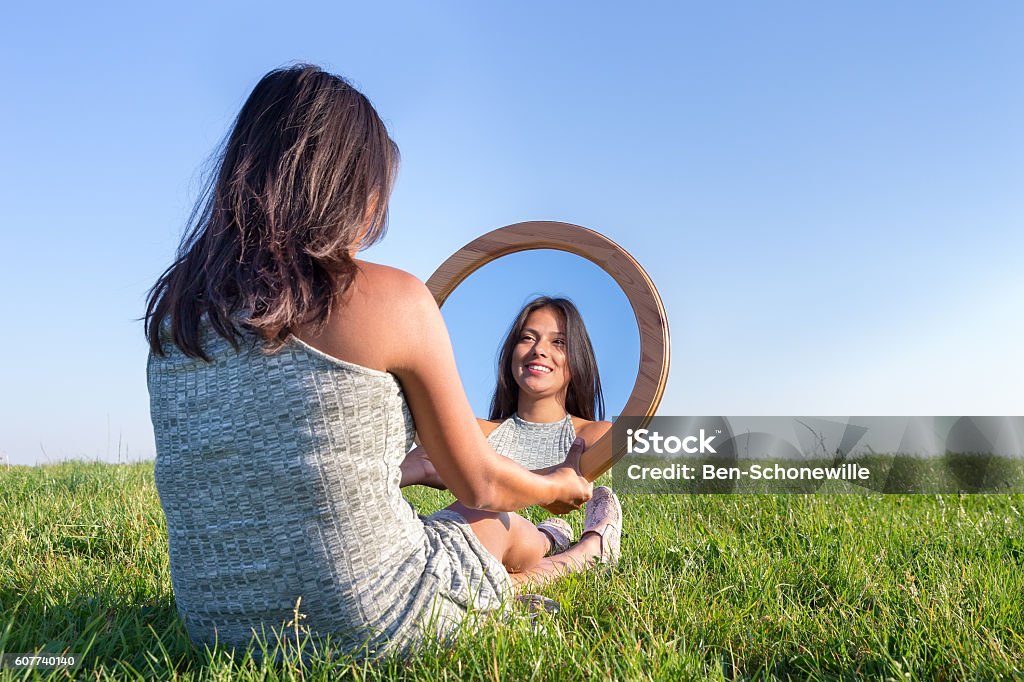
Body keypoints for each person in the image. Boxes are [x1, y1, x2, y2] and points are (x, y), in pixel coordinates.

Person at [145, 64, 620, 658]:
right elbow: (483, 481)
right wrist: (555, 486)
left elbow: (271, 465)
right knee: (493, 525)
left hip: (215, 627)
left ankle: (528, 565)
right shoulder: (390, 298)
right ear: (351, 189)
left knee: (461, 520)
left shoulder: (175, 313)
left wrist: (415, 469)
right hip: (368, 617)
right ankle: (582, 554)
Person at [402, 296, 618, 556]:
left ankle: (555, 541)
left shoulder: (598, 435)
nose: (539, 349)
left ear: (577, 359)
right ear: (511, 353)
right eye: (527, 338)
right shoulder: (477, 431)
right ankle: (567, 545)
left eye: (559, 342)